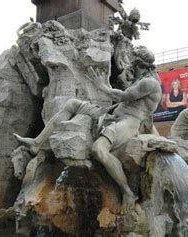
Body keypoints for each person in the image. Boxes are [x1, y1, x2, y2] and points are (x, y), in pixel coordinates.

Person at [15, 47, 162, 212]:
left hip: (128, 122)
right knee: (71, 104)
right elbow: (122, 98)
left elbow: (123, 96)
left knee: (98, 150)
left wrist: (102, 86)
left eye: (131, 58)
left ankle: (127, 192)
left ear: (138, 62)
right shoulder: (140, 78)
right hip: (111, 113)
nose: (128, 61)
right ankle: (37, 142)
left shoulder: (150, 82)